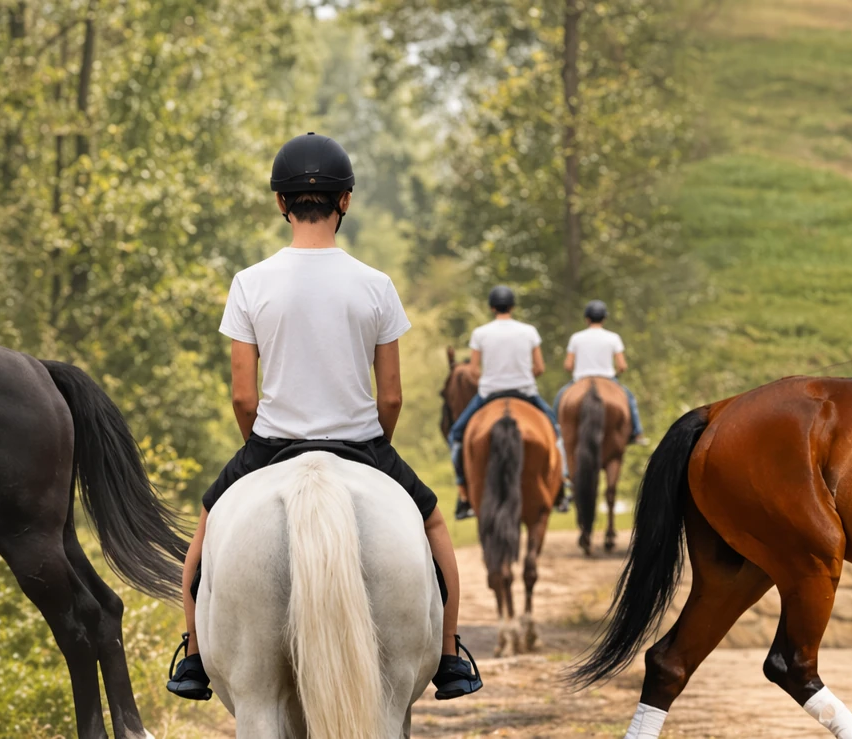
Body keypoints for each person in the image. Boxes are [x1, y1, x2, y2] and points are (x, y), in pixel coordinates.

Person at [164, 132, 482, 702]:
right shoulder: (377, 285)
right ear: (346, 200)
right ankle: (451, 655)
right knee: (434, 525)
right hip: (362, 444)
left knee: (206, 530)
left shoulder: (249, 283)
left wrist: (260, 450)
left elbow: (243, 397)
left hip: (271, 443)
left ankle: (192, 657)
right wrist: (374, 448)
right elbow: (391, 397)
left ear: (280, 202)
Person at [444, 285, 560, 518]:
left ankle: (463, 492)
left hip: (490, 394)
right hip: (525, 392)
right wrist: (523, 376)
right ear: (513, 307)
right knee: (557, 433)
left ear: (491, 308)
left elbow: (473, 371)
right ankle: (562, 485)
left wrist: (489, 379)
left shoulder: (480, 333)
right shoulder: (529, 331)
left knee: (456, 436)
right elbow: (539, 367)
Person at [555, 300, 643, 443]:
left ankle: (556, 432)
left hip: (581, 379)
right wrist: (615, 375)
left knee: (560, 397)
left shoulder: (576, 338)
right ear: (604, 318)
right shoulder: (613, 337)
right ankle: (636, 432)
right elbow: (622, 366)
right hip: (607, 379)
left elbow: (568, 365)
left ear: (587, 319)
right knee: (630, 398)